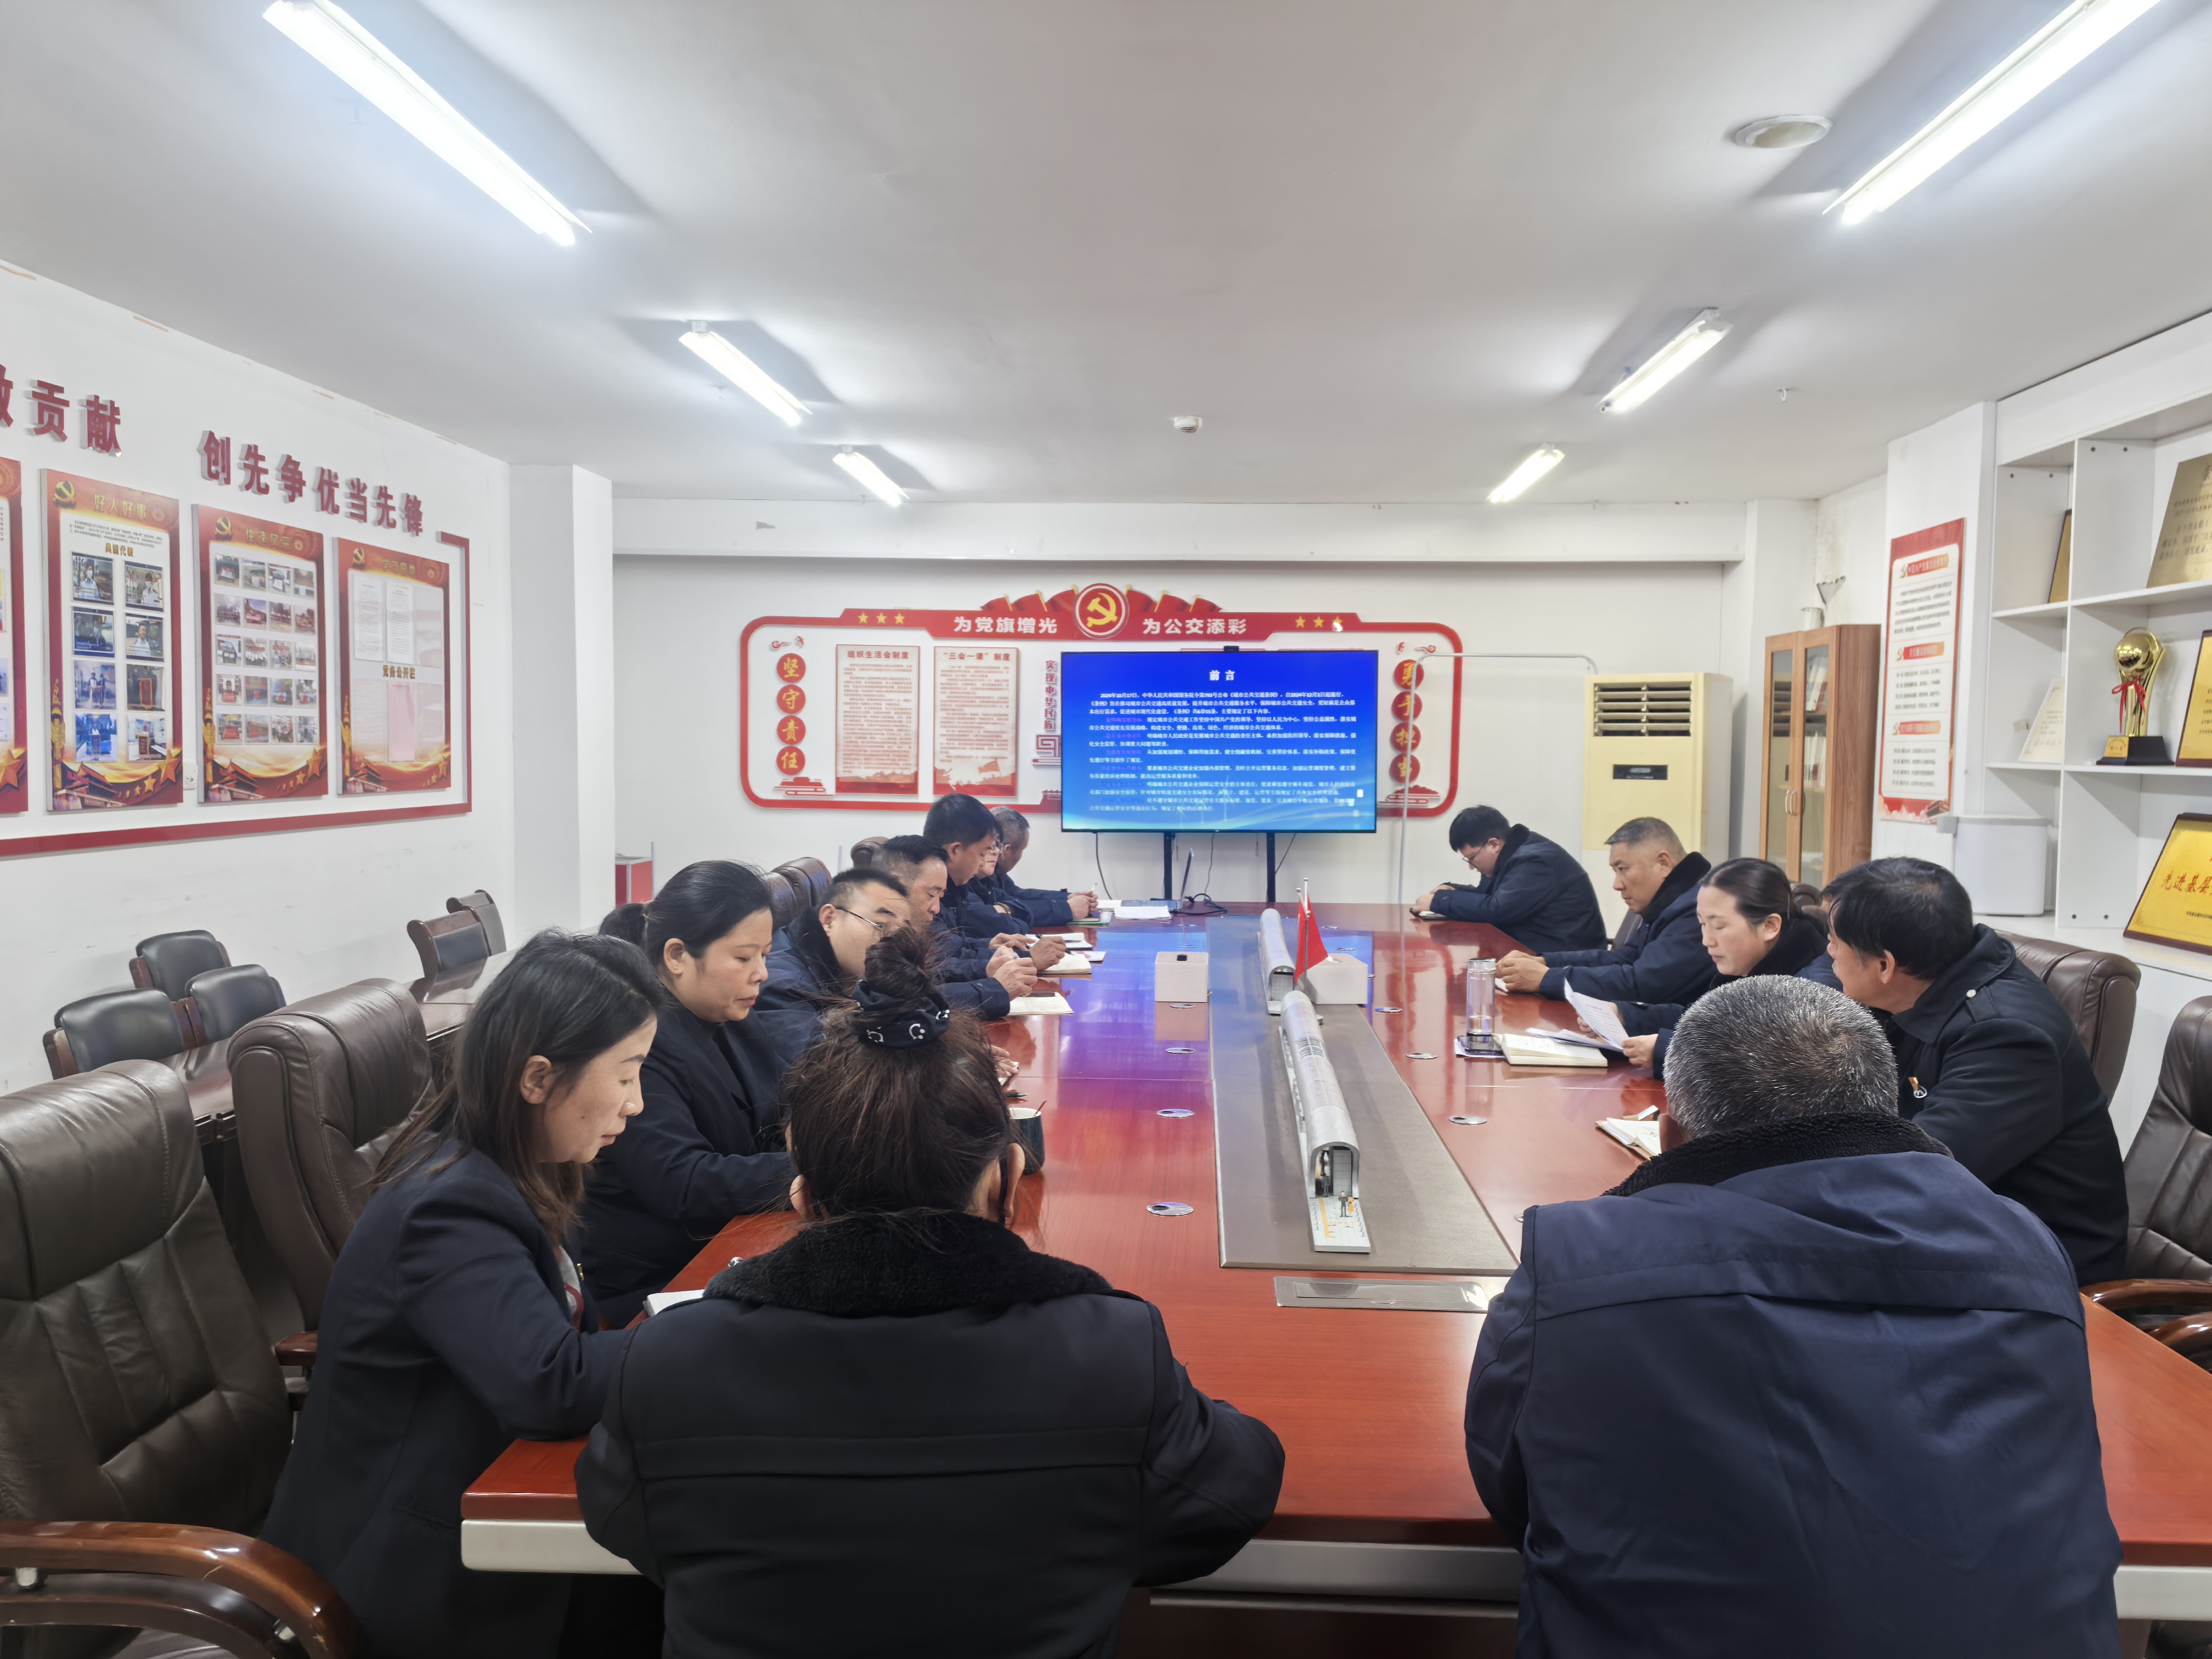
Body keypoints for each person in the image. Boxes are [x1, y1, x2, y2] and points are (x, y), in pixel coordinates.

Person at [576, 926, 1285, 1657]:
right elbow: (1230, 1499)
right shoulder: (1112, 1356)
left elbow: (629, 1525)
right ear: (1007, 1181)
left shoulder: (668, 1360)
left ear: (802, 1199)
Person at [1465, 975, 2120, 1657]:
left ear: (1669, 1131)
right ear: (1889, 1104)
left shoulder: (1581, 1257)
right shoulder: (2025, 1245)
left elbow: (1511, 1483)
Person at [264, 930, 666, 1659]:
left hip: (475, 1499)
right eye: (627, 1074)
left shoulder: (513, 1167)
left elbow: (567, 1332)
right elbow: (548, 1383)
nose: (636, 1104)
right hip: (401, 1571)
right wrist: (709, 1337)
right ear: (537, 1078)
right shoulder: (448, 1206)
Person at [1819, 857, 2127, 1284]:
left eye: (1835, 942)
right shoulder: (1923, 979)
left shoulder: (2007, 1037)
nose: (1829, 953)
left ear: (1885, 966)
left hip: (2037, 1269)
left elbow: (1922, 1168)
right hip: (1958, 1230)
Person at [582, 862, 792, 1322]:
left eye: (765, 955)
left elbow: (788, 1098)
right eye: (744, 958)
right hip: (661, 1278)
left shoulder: (731, 1013)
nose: (762, 973)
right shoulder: (641, 1040)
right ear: (677, 955)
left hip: (733, 1238)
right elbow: (683, 1181)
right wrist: (813, 1167)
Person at [1614, 858, 1828, 1074]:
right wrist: (1625, 1015)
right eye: (1703, 924)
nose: (1707, 940)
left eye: (1719, 926)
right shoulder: (1750, 968)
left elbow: (1771, 1062)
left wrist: (1668, 1050)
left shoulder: (1811, 989)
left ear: (1770, 926)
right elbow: (1701, 1020)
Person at [1495, 817, 1717, 1008]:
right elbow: (1624, 958)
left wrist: (1547, 979)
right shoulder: (1671, 900)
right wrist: (1545, 962)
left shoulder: (1695, 909)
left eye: (1623, 869)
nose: (1617, 885)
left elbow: (1642, 985)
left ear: (1663, 863)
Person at [753, 864, 913, 1065]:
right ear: (829, 919)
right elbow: (817, 1072)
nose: (894, 943)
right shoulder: (783, 987)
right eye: (881, 926)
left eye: (902, 934)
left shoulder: (850, 969)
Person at [875, 832, 1037, 1017]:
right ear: (895, 885)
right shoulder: (869, 932)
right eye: (931, 895)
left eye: (940, 897)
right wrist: (995, 988)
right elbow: (907, 1004)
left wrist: (986, 969)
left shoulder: (901, 928)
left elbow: (931, 972)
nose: (936, 908)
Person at [1410, 805, 1605, 956]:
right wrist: (1453, 890)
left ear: (1494, 844)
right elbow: (1489, 896)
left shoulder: (1535, 861)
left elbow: (1497, 910)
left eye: (1472, 858)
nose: (1471, 866)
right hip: (1535, 949)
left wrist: (1439, 901)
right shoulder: (1510, 856)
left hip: (1566, 959)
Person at [923, 792, 1068, 968]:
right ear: (955, 851)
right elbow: (942, 967)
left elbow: (956, 948)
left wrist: (989, 944)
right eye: (982, 853)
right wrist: (1025, 958)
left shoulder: (954, 888)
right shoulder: (925, 893)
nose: (983, 862)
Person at [986, 805, 1096, 924]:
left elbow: (1017, 896)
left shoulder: (996, 875)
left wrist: (1067, 899)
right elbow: (999, 917)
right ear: (1006, 851)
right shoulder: (974, 881)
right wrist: (1067, 909)